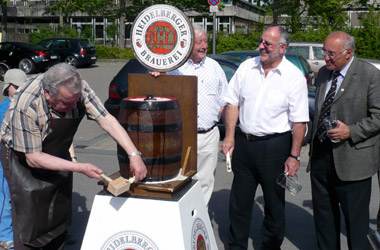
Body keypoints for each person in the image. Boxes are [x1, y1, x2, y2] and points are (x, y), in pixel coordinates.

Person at [0, 63, 147, 250]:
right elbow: (34, 158)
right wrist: (79, 167)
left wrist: (134, 154)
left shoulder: (77, 88)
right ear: (47, 94)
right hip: (23, 158)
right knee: (30, 219)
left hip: (56, 152)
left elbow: (107, 120)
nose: (72, 107)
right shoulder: (27, 104)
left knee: (58, 212)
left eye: (75, 101)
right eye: (66, 102)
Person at [221, 25, 309, 249]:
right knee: (238, 203)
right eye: (261, 41)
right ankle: (236, 246)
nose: (261, 46)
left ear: (282, 48)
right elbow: (232, 102)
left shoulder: (293, 77)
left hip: (275, 147)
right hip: (244, 145)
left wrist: (294, 156)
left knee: (273, 205)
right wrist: (229, 136)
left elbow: (299, 122)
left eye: (267, 44)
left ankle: (270, 246)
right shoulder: (246, 67)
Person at [308, 31, 380, 249]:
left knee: (355, 225)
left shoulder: (369, 75)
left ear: (348, 53)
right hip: (321, 157)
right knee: (324, 219)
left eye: (331, 53)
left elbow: (378, 116)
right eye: (324, 52)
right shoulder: (322, 74)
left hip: (352, 160)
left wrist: (352, 132)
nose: (326, 57)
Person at [150, 24, 228, 208]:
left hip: (209, 135)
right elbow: (157, 94)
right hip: (180, 136)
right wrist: (155, 75)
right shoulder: (173, 68)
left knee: (206, 180)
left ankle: (200, 218)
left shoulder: (215, 67)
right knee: (178, 178)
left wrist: (229, 136)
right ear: (188, 44)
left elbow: (225, 101)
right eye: (199, 42)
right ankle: (180, 218)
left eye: (206, 41)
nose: (204, 45)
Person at [0, 69, 27, 250]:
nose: (19, 91)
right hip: (4, 159)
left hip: (19, 158)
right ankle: (4, 235)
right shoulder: (4, 108)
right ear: (8, 87)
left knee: (19, 197)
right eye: (16, 87)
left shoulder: (23, 104)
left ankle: (20, 233)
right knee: (5, 197)